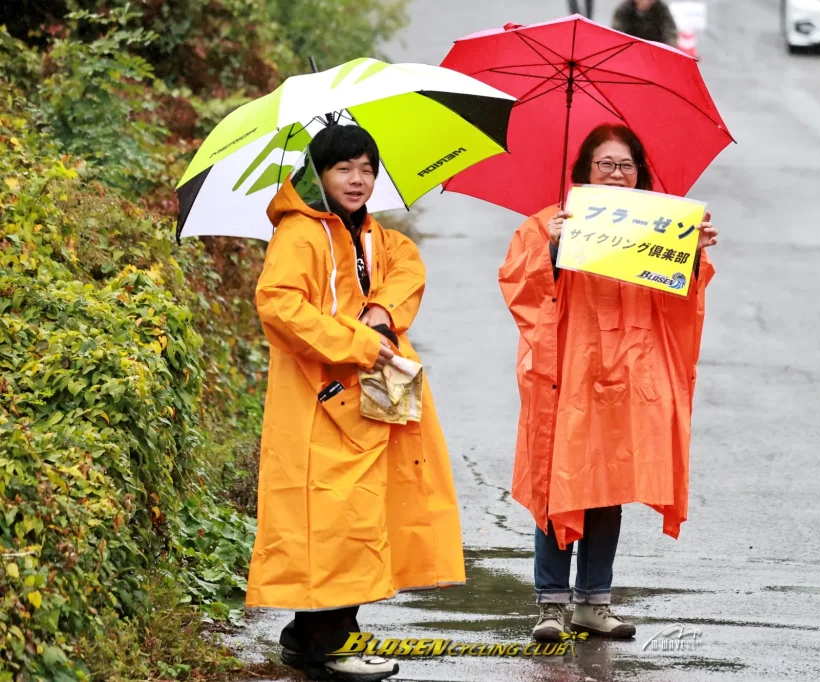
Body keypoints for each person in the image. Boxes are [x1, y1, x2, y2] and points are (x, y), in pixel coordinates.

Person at [247, 124, 465, 682]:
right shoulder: (300, 234)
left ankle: (319, 636)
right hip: (320, 400)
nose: (358, 179)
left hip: (373, 395)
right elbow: (280, 307)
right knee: (329, 518)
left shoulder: (371, 234)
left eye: (367, 168)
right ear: (319, 174)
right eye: (344, 168)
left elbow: (407, 266)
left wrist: (384, 312)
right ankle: (325, 641)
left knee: (364, 514)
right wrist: (360, 342)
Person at [498, 123, 718, 642]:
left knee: (608, 483)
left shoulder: (657, 227)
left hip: (629, 375)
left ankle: (594, 602)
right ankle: (551, 603)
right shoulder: (549, 223)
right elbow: (521, 290)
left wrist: (692, 252)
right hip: (568, 374)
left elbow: (678, 301)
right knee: (560, 479)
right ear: (584, 171)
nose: (617, 175)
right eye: (606, 165)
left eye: (626, 166)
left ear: (639, 173)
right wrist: (550, 251)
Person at [612, 0, 679, 45]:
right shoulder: (624, 9)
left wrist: (668, 48)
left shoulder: (661, 9)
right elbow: (617, 32)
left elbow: (670, 33)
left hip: (655, 49)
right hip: (629, 47)